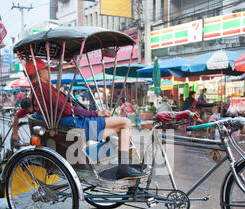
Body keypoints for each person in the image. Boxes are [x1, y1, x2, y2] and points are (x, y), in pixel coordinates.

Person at [12, 59, 145, 180]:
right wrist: (96, 113)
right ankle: (124, 168)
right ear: (40, 73)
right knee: (125, 122)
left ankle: (126, 165)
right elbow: (67, 109)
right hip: (75, 124)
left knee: (119, 128)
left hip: (69, 124)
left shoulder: (34, 91)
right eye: (46, 70)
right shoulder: (44, 88)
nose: (49, 73)